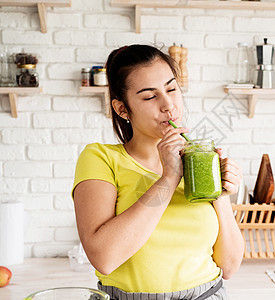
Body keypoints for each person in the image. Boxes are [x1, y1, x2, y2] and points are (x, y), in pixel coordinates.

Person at [72, 44, 244, 300]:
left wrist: (221, 194)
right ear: (122, 109)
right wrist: (169, 177)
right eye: (150, 96)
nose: (168, 105)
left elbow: (229, 266)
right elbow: (104, 258)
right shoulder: (100, 158)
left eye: (172, 89)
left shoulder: (200, 162)